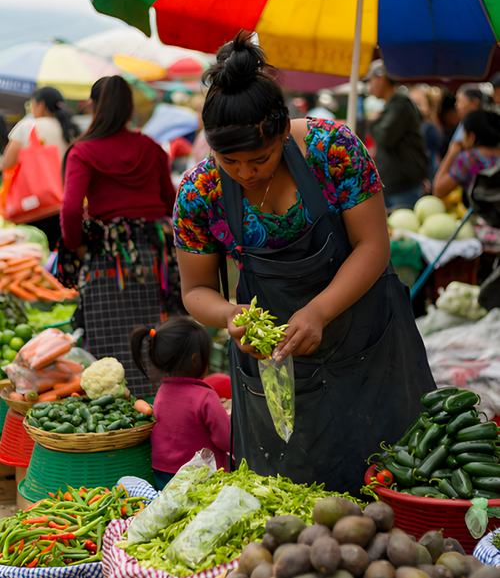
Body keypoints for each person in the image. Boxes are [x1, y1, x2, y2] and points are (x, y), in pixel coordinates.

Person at [173, 32, 435, 494]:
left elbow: (373, 246)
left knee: (399, 472)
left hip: (370, 342)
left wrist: (319, 310)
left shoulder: (332, 151)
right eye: (228, 161)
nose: (246, 173)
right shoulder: (199, 193)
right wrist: (230, 316)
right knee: (294, 490)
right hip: (279, 363)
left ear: (283, 127)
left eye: (260, 158)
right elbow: (195, 291)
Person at [60, 75, 181, 399]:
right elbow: (172, 203)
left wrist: (74, 245)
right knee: (153, 336)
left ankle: (120, 422)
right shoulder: (151, 148)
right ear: (128, 107)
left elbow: (71, 210)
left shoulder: (82, 151)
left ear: (96, 106)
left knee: (108, 341)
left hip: (108, 260)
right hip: (155, 258)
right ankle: (161, 410)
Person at [130, 316, 231, 489]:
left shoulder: (162, 392)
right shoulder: (205, 396)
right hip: (202, 477)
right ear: (195, 359)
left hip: (163, 475)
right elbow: (226, 439)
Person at [1, 87, 78, 249]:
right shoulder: (70, 129)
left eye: (32, 104)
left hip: (33, 203)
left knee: (34, 253)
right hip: (64, 202)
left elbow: (6, 164)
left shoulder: (28, 127)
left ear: (41, 105)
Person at [365, 60, 429, 209]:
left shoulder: (401, 104)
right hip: (395, 186)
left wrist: (374, 122)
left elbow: (384, 136)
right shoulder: (393, 105)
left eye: (371, 81)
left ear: (381, 79)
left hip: (404, 187)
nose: (369, 86)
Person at [433, 110, 500, 199]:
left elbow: (438, 190)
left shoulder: (469, 159)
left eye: (463, 132)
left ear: (472, 137)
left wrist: (451, 153)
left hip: (479, 211)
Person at [409, 85, 442, 180]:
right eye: (410, 103)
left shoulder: (430, 130)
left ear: (428, 107)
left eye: (418, 103)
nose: (413, 107)